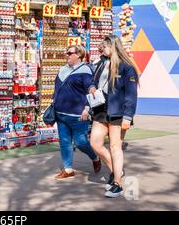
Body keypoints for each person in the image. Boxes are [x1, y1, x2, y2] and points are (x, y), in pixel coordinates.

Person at [89, 35, 139, 198]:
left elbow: (131, 94)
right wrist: (92, 87)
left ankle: (117, 183)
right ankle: (116, 170)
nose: (102, 48)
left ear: (113, 46)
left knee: (115, 146)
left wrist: (128, 116)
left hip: (118, 112)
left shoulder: (126, 67)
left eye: (104, 46)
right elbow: (93, 81)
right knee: (95, 142)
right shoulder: (101, 63)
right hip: (100, 109)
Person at [52, 45, 101, 180]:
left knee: (81, 142)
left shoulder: (85, 70)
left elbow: (90, 89)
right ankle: (68, 170)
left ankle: (95, 157)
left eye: (69, 53)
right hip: (61, 113)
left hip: (78, 115)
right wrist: (53, 105)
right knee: (64, 141)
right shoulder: (62, 70)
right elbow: (56, 90)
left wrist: (86, 109)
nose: (66, 55)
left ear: (79, 55)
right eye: (66, 53)